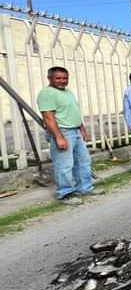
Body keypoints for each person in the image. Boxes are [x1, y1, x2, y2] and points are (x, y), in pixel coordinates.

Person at [37, 66, 94, 202]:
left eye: (65, 78)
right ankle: (65, 194)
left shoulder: (68, 92)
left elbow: (72, 111)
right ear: (49, 78)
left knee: (83, 162)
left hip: (75, 130)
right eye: (58, 78)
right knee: (64, 165)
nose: (62, 81)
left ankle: (84, 189)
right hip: (63, 131)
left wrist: (81, 127)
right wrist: (58, 137)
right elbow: (48, 117)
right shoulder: (47, 93)